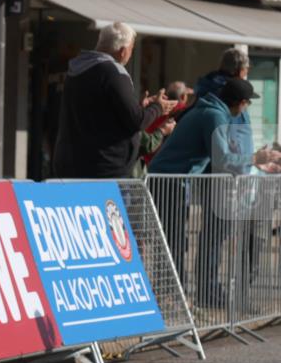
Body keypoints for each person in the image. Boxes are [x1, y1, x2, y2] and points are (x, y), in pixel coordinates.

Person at [149, 77, 260, 306]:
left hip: (174, 180)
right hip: (170, 180)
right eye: (247, 104)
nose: (246, 109)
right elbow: (223, 160)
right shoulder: (214, 115)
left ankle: (172, 295)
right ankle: (170, 298)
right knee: (173, 241)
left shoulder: (212, 111)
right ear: (240, 103)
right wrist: (255, 159)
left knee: (176, 240)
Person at [52, 22, 175, 179]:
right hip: (103, 169)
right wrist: (158, 107)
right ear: (123, 51)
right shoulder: (114, 73)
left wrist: (138, 107)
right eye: (131, 49)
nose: (130, 54)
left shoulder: (77, 69)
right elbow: (136, 121)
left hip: (71, 163)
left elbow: (100, 113)